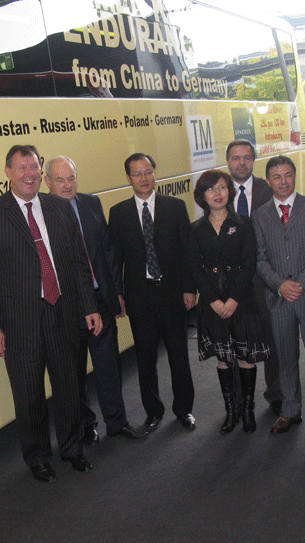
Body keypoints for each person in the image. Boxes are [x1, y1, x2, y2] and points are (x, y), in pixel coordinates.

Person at [0, 145, 102, 483]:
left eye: (33, 167)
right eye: (22, 168)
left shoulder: (59, 207)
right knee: (29, 394)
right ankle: (38, 457)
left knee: (69, 386)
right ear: (8, 172)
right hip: (20, 323)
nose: (29, 174)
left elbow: (78, 262)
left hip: (63, 313)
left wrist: (89, 306)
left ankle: (72, 449)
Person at [44, 156, 147, 442]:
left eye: (72, 178)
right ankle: (85, 425)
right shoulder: (42, 213)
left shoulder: (91, 203)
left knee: (108, 366)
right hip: (68, 306)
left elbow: (107, 250)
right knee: (74, 371)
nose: (68, 185)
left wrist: (116, 292)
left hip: (100, 298)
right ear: (47, 182)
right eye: (61, 180)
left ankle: (117, 422)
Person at [108, 153, 197, 431]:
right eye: (137, 174)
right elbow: (115, 259)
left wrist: (189, 288)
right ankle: (153, 412)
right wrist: (117, 294)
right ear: (128, 178)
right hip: (139, 297)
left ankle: (184, 410)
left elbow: (187, 251)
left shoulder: (175, 207)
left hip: (172, 294)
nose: (144, 178)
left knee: (179, 356)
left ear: (155, 173)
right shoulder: (118, 213)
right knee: (145, 360)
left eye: (148, 172)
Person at [252, 155, 305, 436]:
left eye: (288, 175)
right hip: (279, 300)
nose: (284, 182)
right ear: (268, 181)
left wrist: (299, 283)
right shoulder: (260, 215)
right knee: (284, 357)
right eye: (277, 177)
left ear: (295, 175)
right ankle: (289, 410)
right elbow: (259, 258)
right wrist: (280, 285)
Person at [189, 170, 269, 433]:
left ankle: (248, 410)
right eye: (210, 189)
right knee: (223, 358)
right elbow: (195, 269)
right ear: (202, 196)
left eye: (222, 187)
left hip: (241, 300)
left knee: (245, 356)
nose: (217, 194)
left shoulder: (244, 224)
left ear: (230, 191)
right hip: (212, 302)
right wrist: (213, 301)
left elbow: (249, 264)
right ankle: (231, 411)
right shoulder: (196, 229)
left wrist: (233, 299)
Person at [225, 140, 281, 416]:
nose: (241, 163)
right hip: (231, 282)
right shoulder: (218, 191)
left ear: (254, 161)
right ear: (228, 162)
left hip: (265, 279)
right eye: (236, 158)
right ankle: (238, 399)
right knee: (235, 342)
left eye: (247, 157)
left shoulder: (269, 190)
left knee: (273, 340)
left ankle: (278, 395)